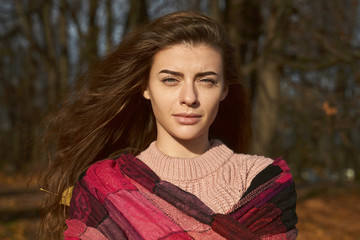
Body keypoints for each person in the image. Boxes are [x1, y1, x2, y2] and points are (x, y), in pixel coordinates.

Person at [40, 11, 297, 240]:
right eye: (171, 80)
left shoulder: (264, 183)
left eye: (206, 81)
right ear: (145, 88)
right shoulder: (104, 188)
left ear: (224, 90)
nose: (189, 97)